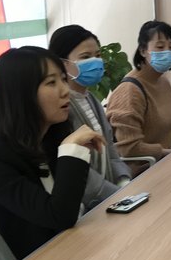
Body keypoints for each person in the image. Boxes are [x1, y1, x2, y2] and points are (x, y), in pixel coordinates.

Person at [0, 47, 104, 260]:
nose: (65, 90)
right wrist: (71, 151)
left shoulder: (47, 138)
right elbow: (59, 216)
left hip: (56, 254)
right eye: (51, 83)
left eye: (64, 79)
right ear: (20, 94)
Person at [48, 24, 131, 208]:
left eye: (98, 55)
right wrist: (115, 194)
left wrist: (123, 181)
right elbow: (77, 170)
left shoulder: (91, 98)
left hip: (108, 199)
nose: (96, 62)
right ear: (62, 64)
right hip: (85, 206)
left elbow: (110, 151)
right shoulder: (60, 109)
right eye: (85, 57)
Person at [106, 20, 171, 170]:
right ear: (143, 50)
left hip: (164, 164)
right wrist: (167, 152)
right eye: (160, 47)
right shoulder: (129, 91)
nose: (167, 52)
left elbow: (156, 128)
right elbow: (128, 148)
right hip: (141, 172)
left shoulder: (163, 82)